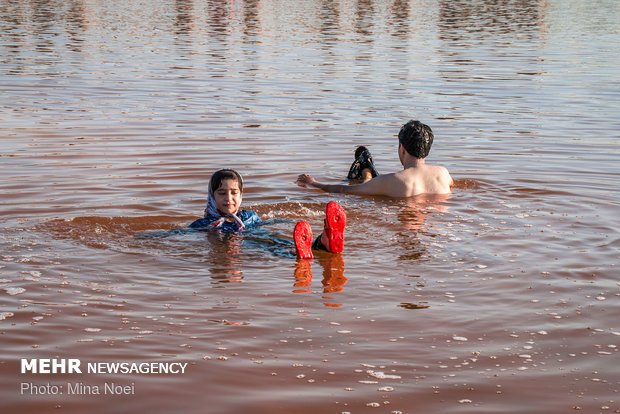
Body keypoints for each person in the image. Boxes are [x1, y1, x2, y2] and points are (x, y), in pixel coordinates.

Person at [189, 169, 346, 259]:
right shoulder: (205, 224)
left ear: (241, 195)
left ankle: (323, 241)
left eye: (233, 193)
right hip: (239, 244)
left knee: (275, 239)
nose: (228, 199)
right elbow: (182, 232)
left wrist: (283, 220)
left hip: (254, 235)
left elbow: (267, 224)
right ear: (212, 196)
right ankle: (306, 251)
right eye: (222, 193)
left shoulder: (249, 216)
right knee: (267, 247)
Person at [297, 120, 453, 197]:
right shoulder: (443, 174)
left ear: (402, 149)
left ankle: (367, 175)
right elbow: (452, 186)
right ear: (429, 149)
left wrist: (313, 183)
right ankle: (367, 175)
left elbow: (345, 190)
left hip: (401, 216)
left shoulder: (393, 180)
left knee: (364, 188)